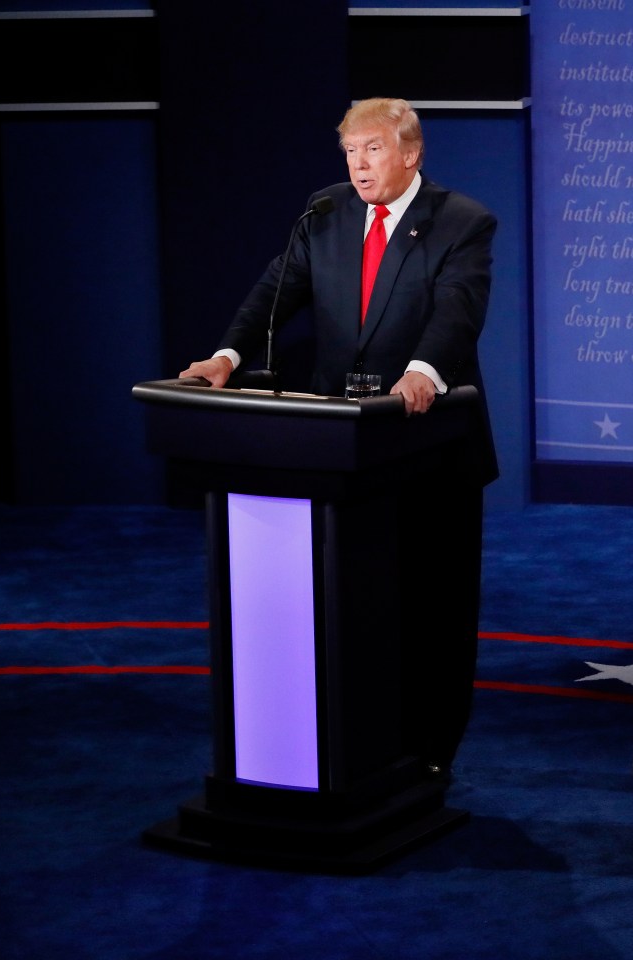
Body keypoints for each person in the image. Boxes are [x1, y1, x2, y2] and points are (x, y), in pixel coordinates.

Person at [181, 97, 498, 778]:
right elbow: (276, 292)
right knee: (354, 607)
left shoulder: (461, 223)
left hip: (428, 446)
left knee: (432, 611)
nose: (359, 165)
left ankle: (431, 752)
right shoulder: (324, 215)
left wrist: (422, 372)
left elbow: (458, 311)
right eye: (351, 152)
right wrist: (227, 358)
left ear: (410, 153)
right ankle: (355, 742)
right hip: (339, 453)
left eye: (373, 149)